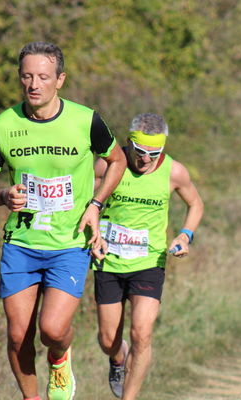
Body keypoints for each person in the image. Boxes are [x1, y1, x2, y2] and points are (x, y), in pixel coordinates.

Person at [0, 41, 126, 400]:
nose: (34, 84)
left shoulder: (86, 120)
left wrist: (96, 204)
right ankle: (32, 397)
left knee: (53, 330)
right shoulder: (3, 125)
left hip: (69, 244)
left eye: (43, 76)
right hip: (22, 244)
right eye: (27, 76)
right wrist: (1, 195)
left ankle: (60, 360)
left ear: (60, 80)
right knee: (17, 335)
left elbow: (117, 161)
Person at [90, 113, 204, 399]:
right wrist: (92, 230)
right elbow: (86, 202)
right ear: (129, 143)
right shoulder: (107, 165)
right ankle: (118, 359)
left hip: (149, 263)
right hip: (109, 261)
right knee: (107, 340)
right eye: (140, 152)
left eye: (154, 154)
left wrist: (185, 235)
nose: (146, 160)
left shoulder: (175, 172)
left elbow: (196, 204)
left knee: (142, 333)